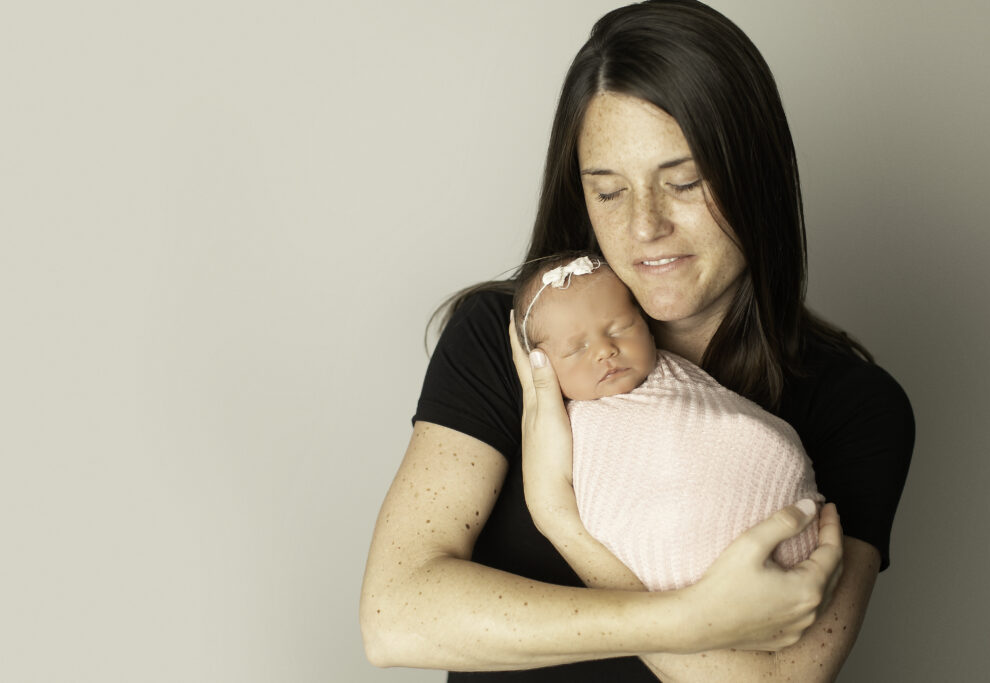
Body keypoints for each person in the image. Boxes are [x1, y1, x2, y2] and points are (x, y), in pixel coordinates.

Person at [361, 1, 914, 681]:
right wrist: (690, 618)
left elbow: (778, 680)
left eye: (683, 181)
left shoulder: (855, 406)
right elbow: (395, 615)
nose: (646, 226)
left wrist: (565, 522)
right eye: (610, 193)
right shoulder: (512, 340)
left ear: (756, 176)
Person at [514, 251, 822, 592]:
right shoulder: (563, 426)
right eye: (576, 349)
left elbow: (741, 432)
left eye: (620, 328)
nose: (605, 350)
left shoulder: (676, 376)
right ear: (540, 365)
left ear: (647, 326)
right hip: (679, 567)